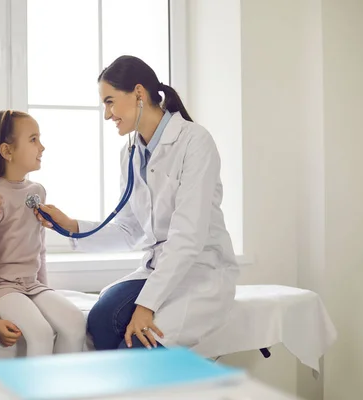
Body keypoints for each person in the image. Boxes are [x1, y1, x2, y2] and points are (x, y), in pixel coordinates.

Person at [36, 55, 240, 351]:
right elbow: (130, 229)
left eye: (110, 101)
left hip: (201, 270)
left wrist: (146, 306)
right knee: (102, 320)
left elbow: (187, 238)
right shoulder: (131, 154)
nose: (107, 114)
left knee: (136, 346)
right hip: (159, 268)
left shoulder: (195, 142)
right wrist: (73, 228)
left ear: (139, 94)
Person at [0, 110, 87, 357]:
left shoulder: (38, 192)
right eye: (33, 140)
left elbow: (39, 248)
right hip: (3, 288)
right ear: (7, 151)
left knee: (76, 323)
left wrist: (45, 292)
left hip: (32, 285)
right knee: (40, 333)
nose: (41, 147)